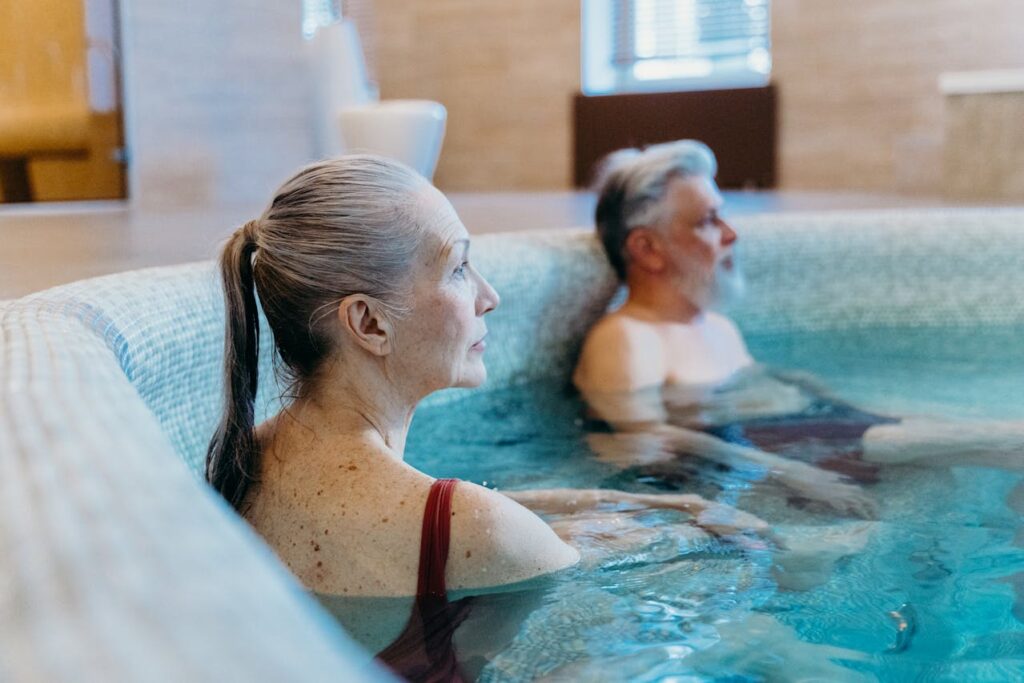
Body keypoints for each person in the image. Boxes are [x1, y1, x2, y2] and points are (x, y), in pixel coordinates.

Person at [205, 155, 768, 681]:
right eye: (458, 268)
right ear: (370, 324)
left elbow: (447, 522)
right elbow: (509, 554)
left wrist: (663, 505)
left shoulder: (236, 465)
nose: (489, 296)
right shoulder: (477, 529)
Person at [573, 139, 1024, 519]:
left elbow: (779, 390)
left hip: (822, 436)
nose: (731, 233)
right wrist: (797, 475)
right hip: (789, 454)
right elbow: (645, 437)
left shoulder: (719, 328)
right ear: (648, 249)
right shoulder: (628, 338)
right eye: (708, 221)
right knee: (1007, 442)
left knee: (994, 453)